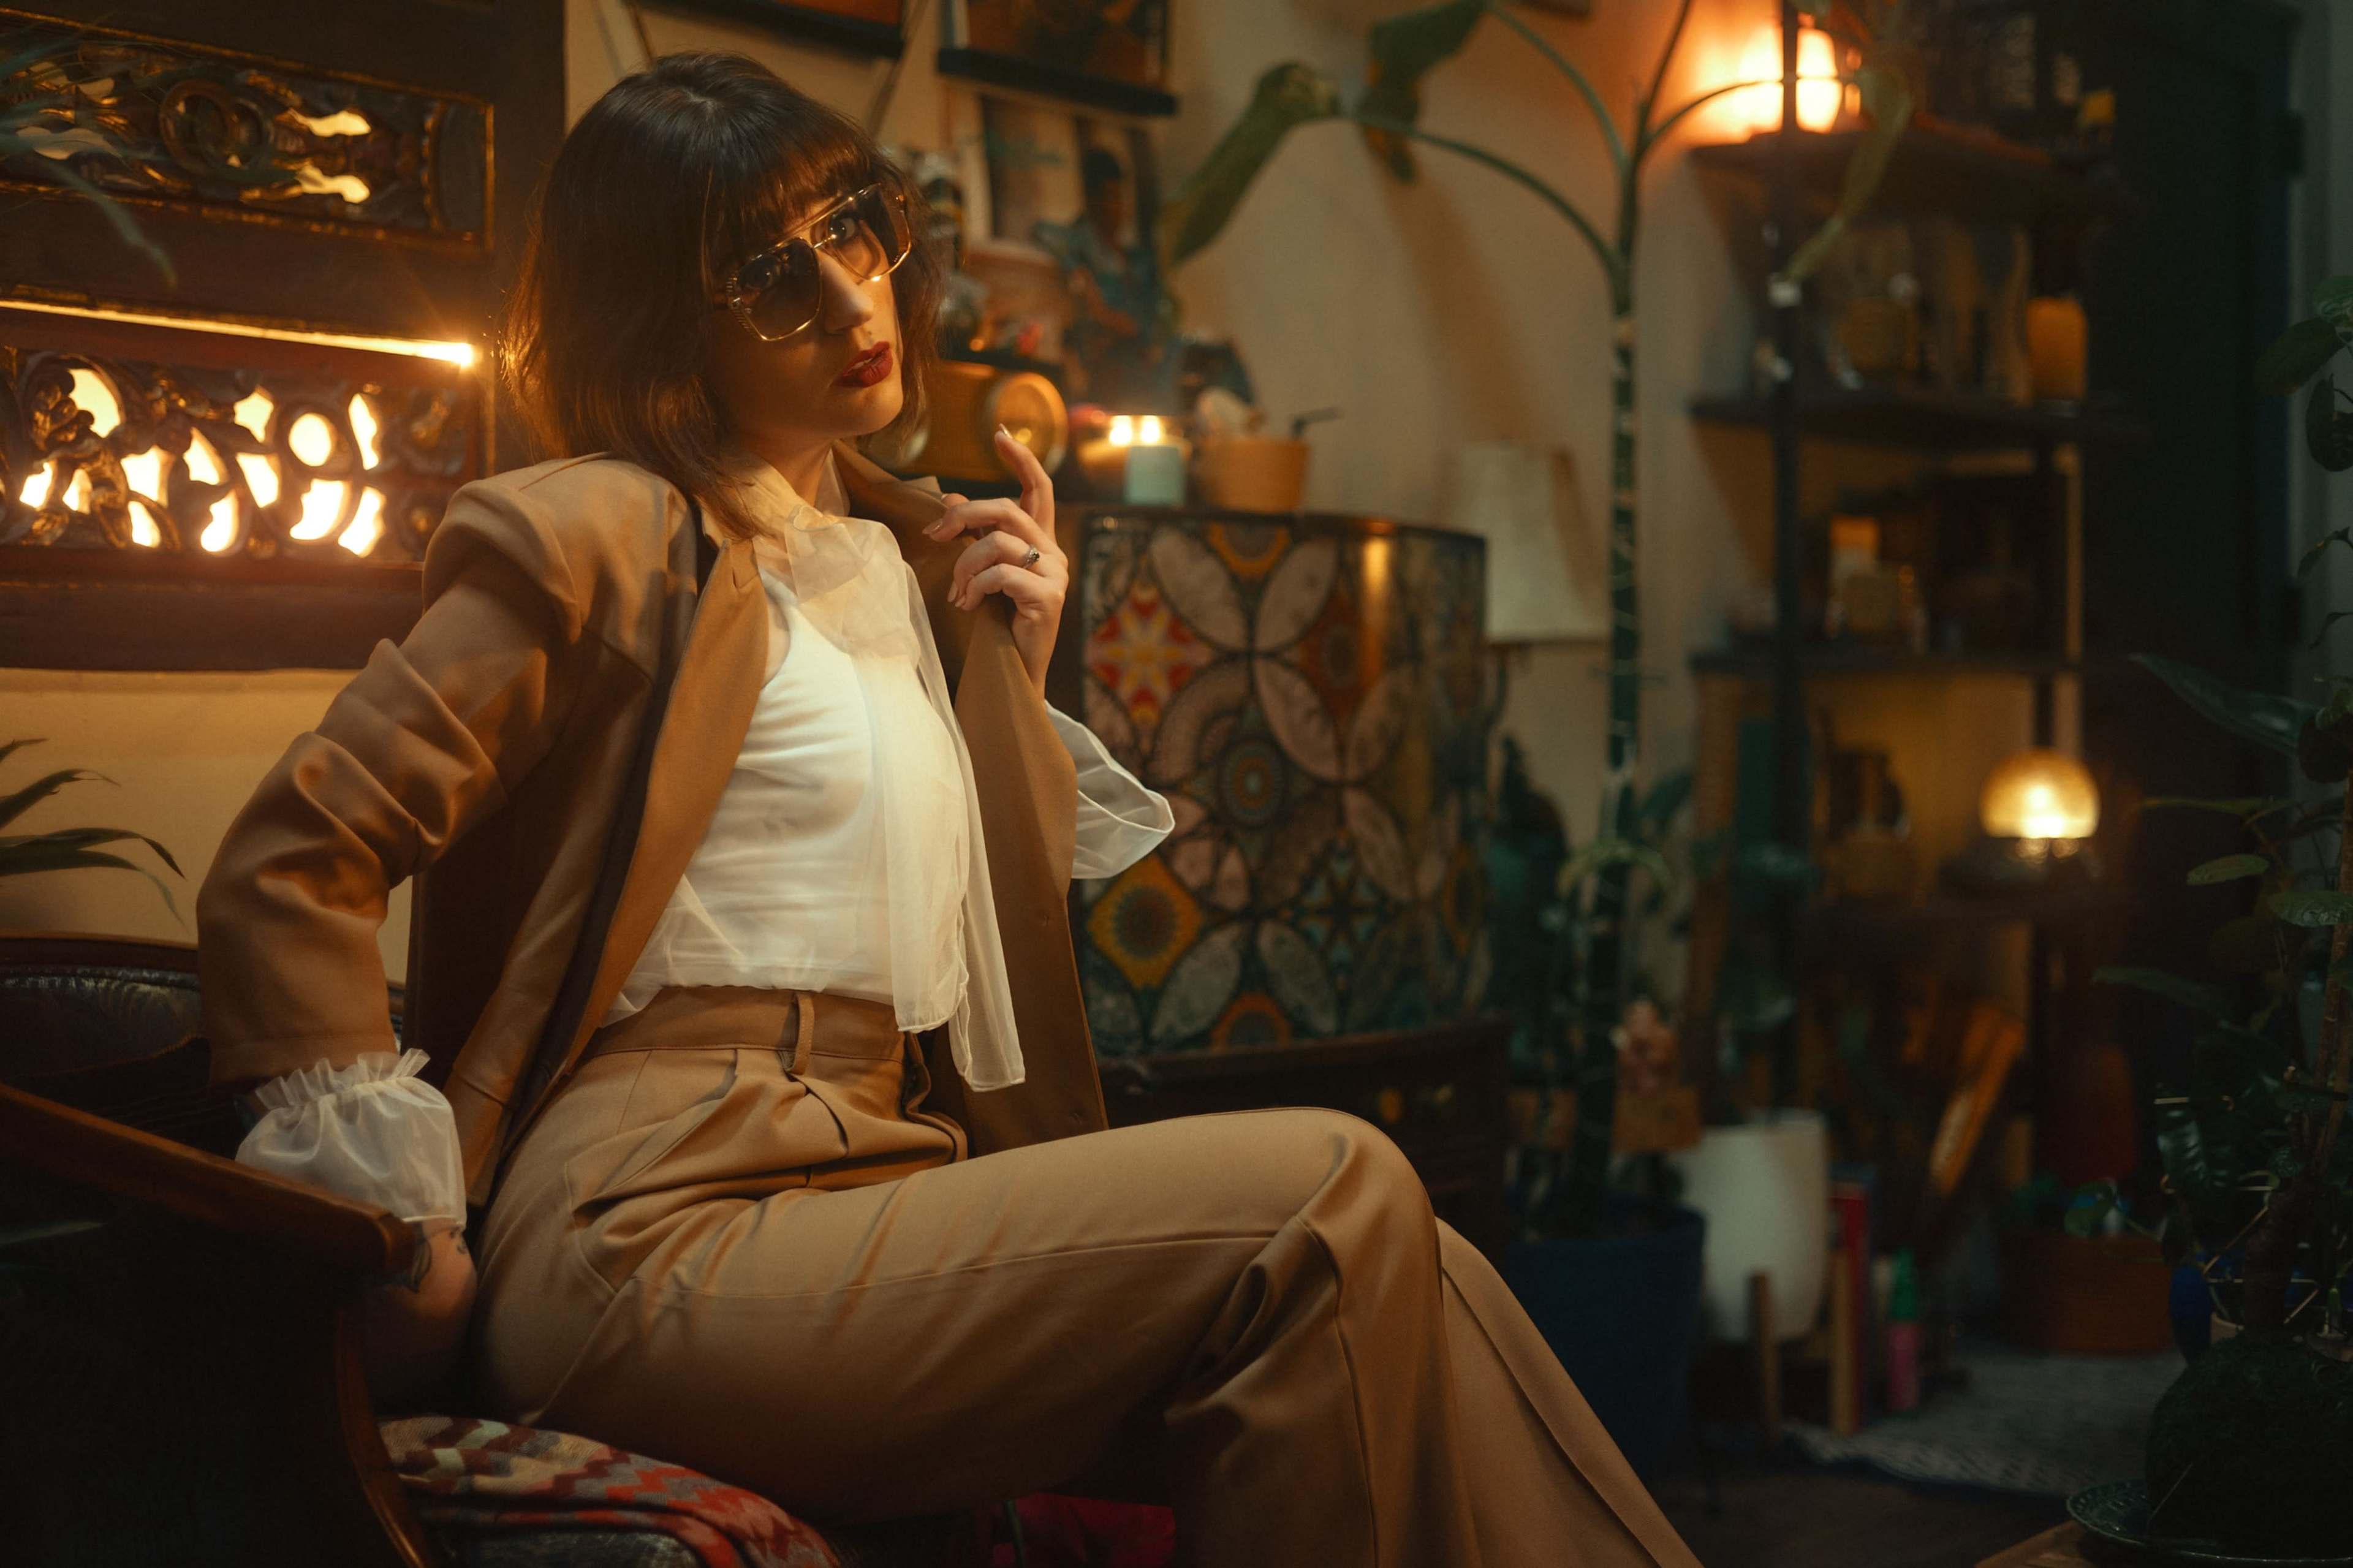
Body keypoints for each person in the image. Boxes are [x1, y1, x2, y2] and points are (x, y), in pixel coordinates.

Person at [197, 51, 1700, 1568]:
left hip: (883, 1174)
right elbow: (289, 862)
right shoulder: (594, 530)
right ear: (666, 323)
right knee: (1334, 1184)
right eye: (771, 280)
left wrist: (1014, 674)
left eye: (854, 229)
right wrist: (401, 1226)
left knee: (1419, 1272)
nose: (857, 305)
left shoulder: (907, 562)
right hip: (646, 1224)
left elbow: (970, 942)